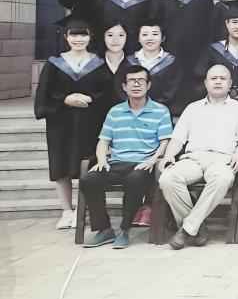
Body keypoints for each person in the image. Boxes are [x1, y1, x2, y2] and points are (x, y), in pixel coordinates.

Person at [158, 65, 238, 250]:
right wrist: (168, 156)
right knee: (167, 178)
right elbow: (178, 139)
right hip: (192, 159)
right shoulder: (192, 108)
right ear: (205, 83)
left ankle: (187, 230)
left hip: (222, 159)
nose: (218, 82)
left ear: (230, 83)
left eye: (222, 79)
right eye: (213, 78)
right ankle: (195, 227)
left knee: (223, 177)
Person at [79, 66, 172, 248]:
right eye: (132, 81)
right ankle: (104, 229)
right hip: (116, 163)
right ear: (124, 86)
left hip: (143, 165)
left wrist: (153, 159)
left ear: (148, 85)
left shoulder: (160, 111)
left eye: (141, 81)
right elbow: (103, 141)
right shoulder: (115, 112)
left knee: (135, 179)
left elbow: (165, 142)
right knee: (89, 180)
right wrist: (102, 160)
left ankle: (124, 229)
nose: (136, 85)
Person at [35, 14, 111, 229]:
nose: (79, 39)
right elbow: (44, 94)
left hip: (89, 123)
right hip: (60, 123)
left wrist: (92, 98)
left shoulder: (99, 63)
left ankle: (82, 209)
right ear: (66, 37)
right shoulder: (54, 63)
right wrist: (64, 99)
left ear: (90, 37)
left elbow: (108, 94)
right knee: (61, 166)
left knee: (86, 166)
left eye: (83, 35)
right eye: (74, 35)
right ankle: (66, 211)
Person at [192, 0, 238, 113]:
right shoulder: (213, 51)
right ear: (227, 23)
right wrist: (216, 92)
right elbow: (198, 82)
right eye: (234, 22)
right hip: (215, 107)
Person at [127, 18, 185, 116]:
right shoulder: (129, 61)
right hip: (130, 112)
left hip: (160, 113)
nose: (150, 38)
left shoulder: (172, 62)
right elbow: (121, 89)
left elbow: (171, 92)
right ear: (138, 38)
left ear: (163, 38)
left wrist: (150, 108)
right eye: (145, 34)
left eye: (155, 34)